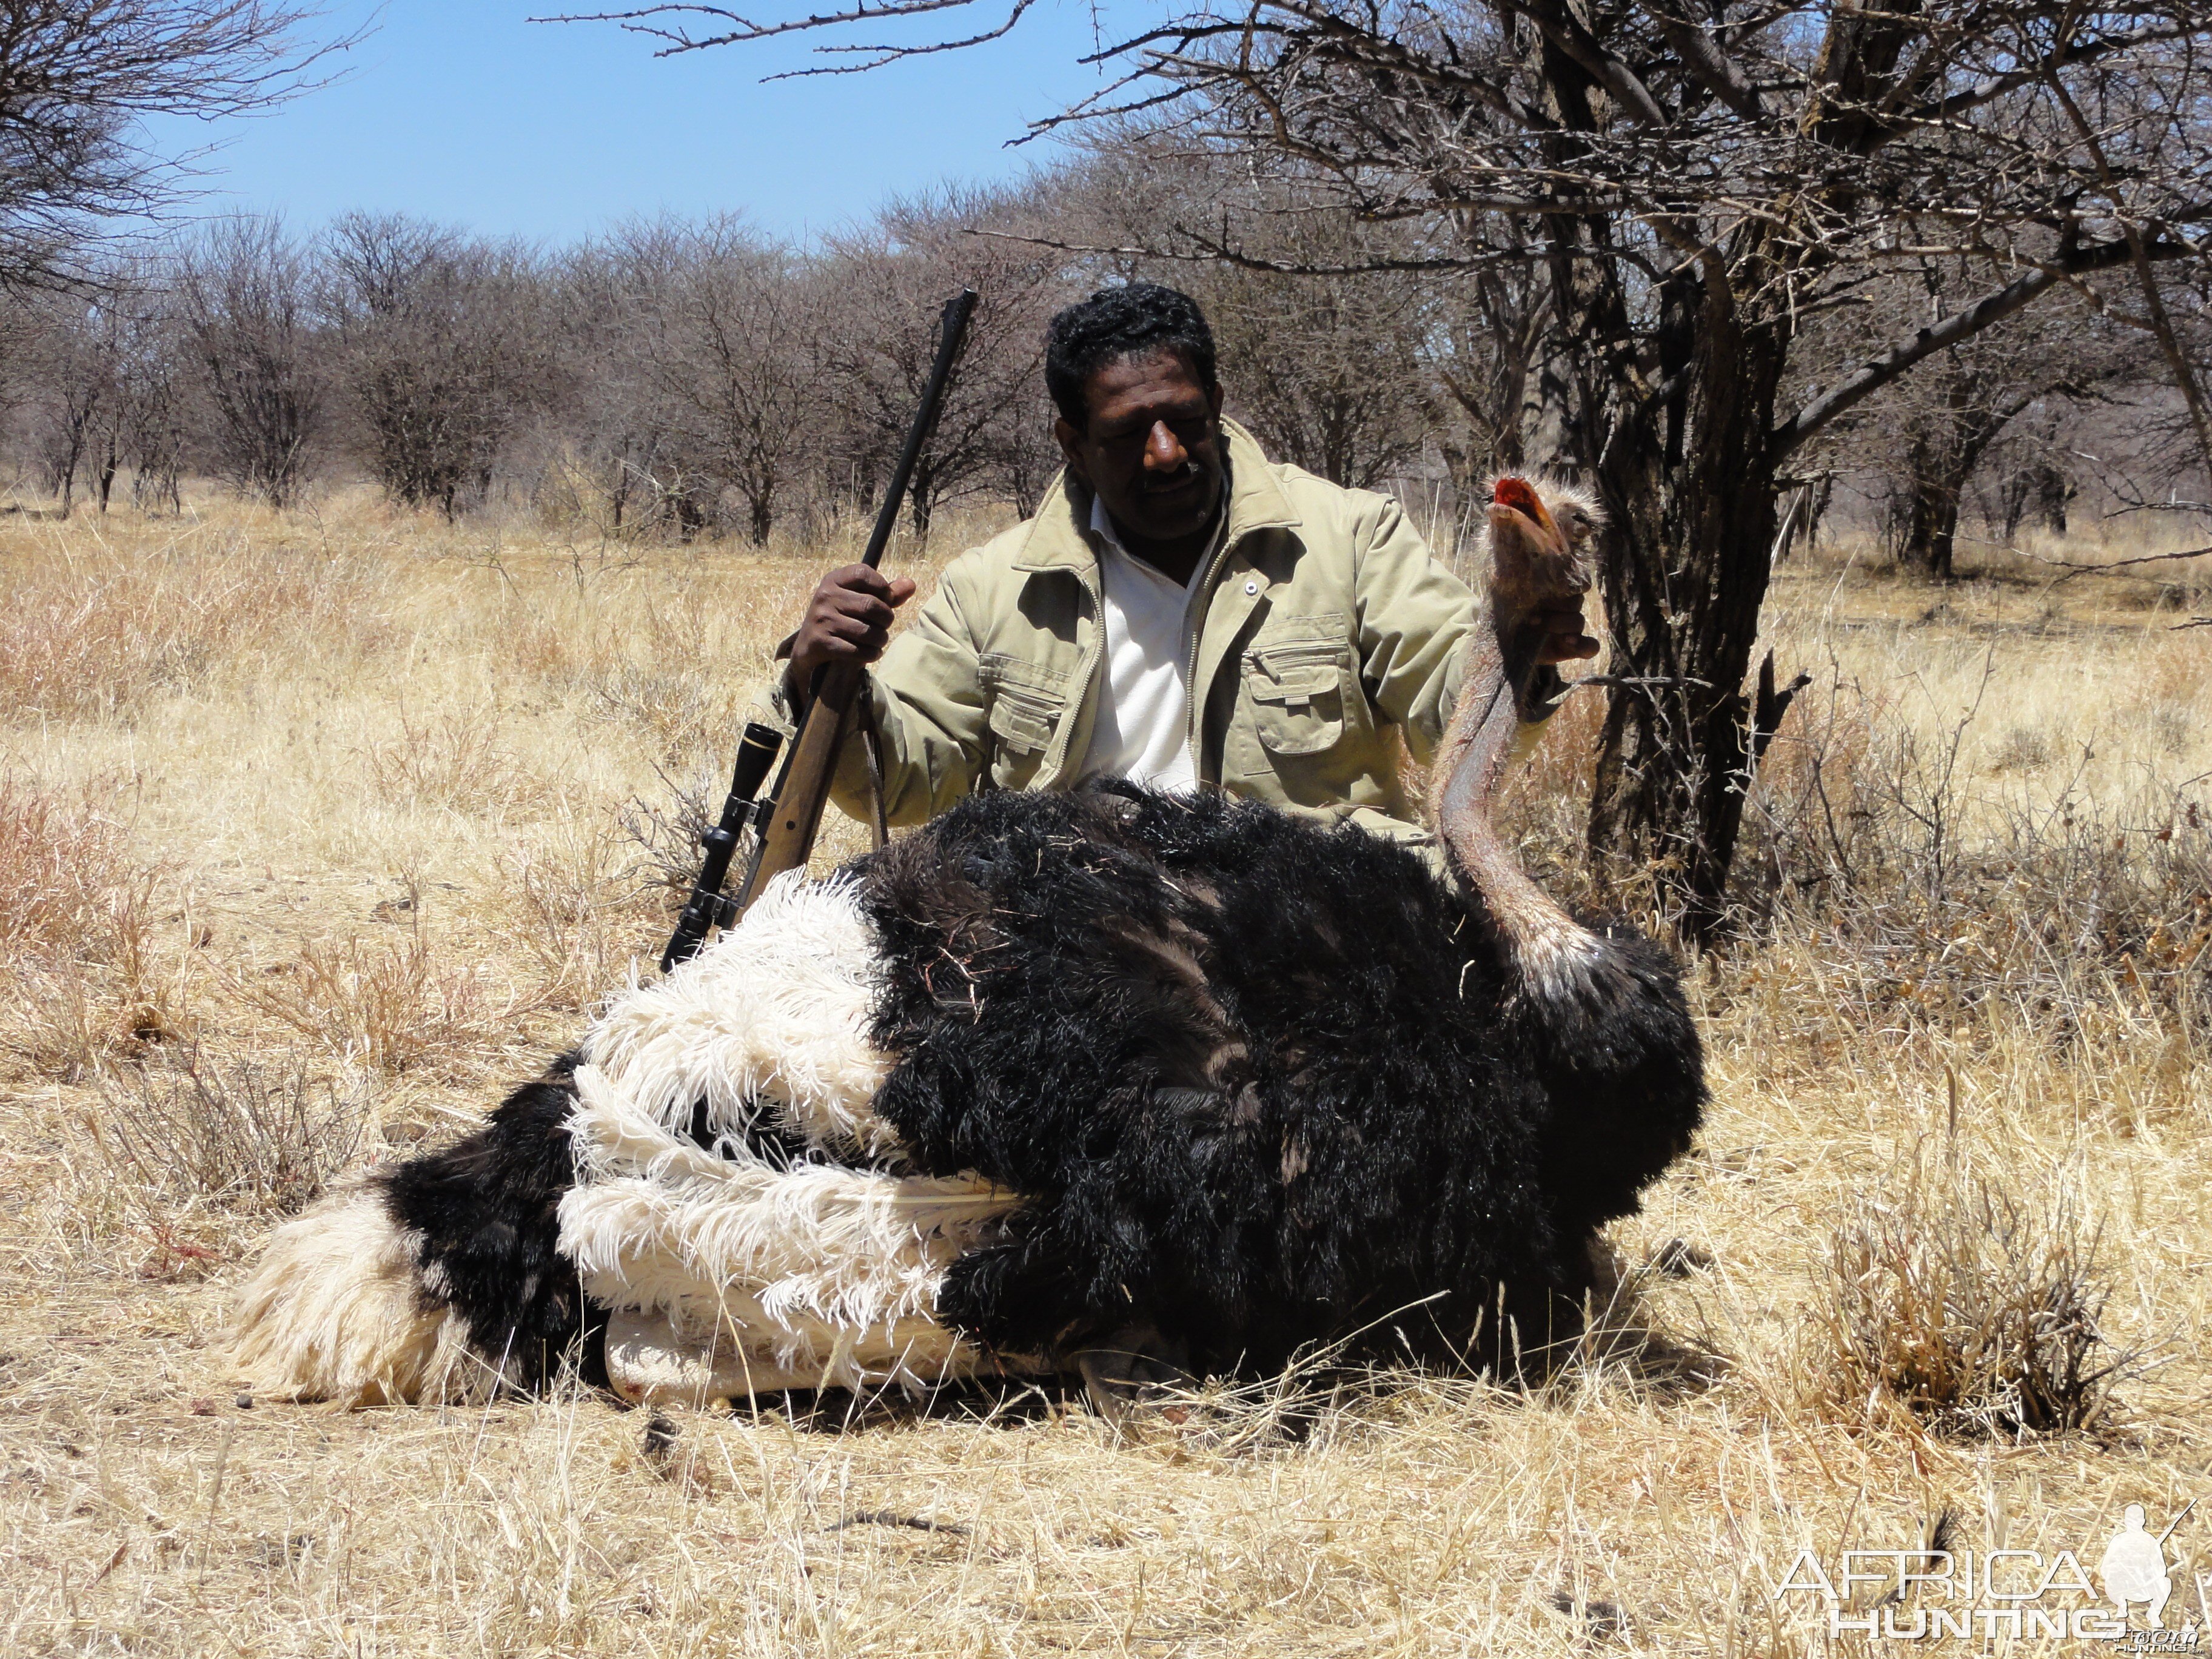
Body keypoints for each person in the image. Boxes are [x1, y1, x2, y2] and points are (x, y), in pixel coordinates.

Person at [766, 281, 1597, 845]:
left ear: (1217, 406)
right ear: (1074, 444)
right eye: (1129, 433)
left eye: (1185, 421)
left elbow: (1443, 705)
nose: (1166, 454)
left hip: (1309, 932)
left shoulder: (1348, 535)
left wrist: (1516, 648)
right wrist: (826, 683)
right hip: (1079, 939)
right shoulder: (995, 588)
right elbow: (909, 781)